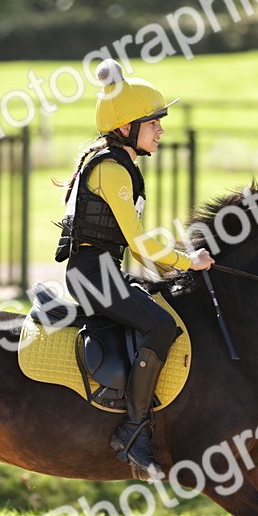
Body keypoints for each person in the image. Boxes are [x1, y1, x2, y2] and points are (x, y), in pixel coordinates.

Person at [55, 59, 213, 479]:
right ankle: (132, 431)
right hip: (92, 276)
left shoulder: (120, 164)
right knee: (161, 328)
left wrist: (177, 266)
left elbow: (136, 246)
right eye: (153, 123)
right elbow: (141, 243)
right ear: (126, 127)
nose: (161, 130)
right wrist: (189, 261)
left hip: (107, 270)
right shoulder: (110, 169)